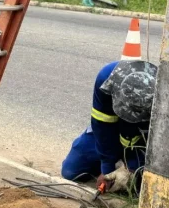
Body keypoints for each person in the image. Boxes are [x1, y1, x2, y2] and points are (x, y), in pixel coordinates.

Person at [61, 60, 157, 193]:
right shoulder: (106, 78)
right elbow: (102, 124)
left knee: (136, 189)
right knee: (70, 171)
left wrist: (131, 169)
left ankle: (128, 164)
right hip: (110, 132)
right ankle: (114, 159)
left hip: (139, 143)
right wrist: (106, 168)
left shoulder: (161, 94)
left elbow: (152, 142)